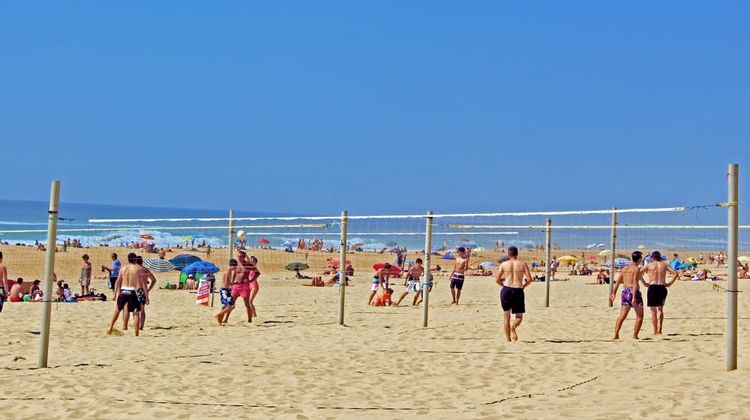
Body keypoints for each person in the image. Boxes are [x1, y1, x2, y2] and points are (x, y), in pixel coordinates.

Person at [495, 246, 533, 341]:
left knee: (506, 317)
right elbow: (529, 280)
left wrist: (503, 286)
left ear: (508, 254)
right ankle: (513, 328)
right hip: (518, 289)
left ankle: (508, 340)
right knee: (519, 316)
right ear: (517, 254)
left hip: (506, 289)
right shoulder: (523, 264)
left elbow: (497, 280)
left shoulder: (503, 264)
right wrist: (523, 287)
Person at [108, 253, 148, 336]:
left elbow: (117, 282)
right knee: (136, 312)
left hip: (123, 291)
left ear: (128, 259)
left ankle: (110, 327)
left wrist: (115, 294)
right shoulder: (138, 269)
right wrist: (146, 296)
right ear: (135, 259)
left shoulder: (123, 269)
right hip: (133, 291)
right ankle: (136, 334)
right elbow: (143, 283)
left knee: (118, 310)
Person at [640, 251, 678, 336]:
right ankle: (660, 330)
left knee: (653, 311)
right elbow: (675, 273)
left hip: (652, 287)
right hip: (662, 287)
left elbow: (639, 273)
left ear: (652, 257)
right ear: (660, 257)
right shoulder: (664, 264)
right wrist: (670, 283)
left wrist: (644, 283)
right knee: (660, 309)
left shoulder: (649, 265)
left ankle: (655, 331)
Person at [609, 251, 645, 340]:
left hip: (625, 292)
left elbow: (617, 282)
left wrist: (614, 293)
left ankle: (616, 335)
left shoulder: (624, 268)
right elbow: (634, 282)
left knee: (622, 315)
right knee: (640, 316)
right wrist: (633, 297)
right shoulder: (636, 268)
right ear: (640, 259)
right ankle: (635, 335)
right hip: (633, 292)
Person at [123, 256, 157, 330]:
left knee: (128, 308)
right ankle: (141, 327)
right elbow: (154, 280)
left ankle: (125, 326)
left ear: (135, 261)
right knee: (142, 309)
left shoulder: (134, 269)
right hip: (143, 290)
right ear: (142, 262)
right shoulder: (145, 270)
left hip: (133, 289)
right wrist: (149, 289)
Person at [231, 251, 254, 322]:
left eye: (241, 257)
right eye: (238, 257)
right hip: (236, 286)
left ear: (244, 257)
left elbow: (257, 273)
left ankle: (249, 319)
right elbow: (234, 274)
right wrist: (232, 284)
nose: (239, 258)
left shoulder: (248, 264)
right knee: (231, 303)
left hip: (245, 286)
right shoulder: (236, 264)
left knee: (246, 304)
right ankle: (225, 319)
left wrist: (251, 280)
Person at [215, 259, 238, 325]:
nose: (235, 268)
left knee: (224, 306)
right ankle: (218, 315)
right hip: (225, 290)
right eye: (234, 267)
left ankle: (219, 320)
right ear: (231, 266)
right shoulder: (228, 272)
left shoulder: (229, 271)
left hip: (225, 290)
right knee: (231, 306)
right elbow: (226, 284)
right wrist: (234, 283)